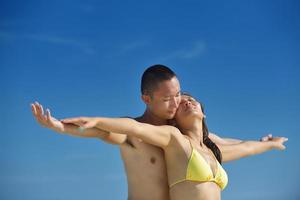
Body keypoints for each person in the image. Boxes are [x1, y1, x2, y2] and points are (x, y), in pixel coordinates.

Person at [31, 65, 274, 200]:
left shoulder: (186, 138)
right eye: (168, 99)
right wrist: (59, 126)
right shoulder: (136, 133)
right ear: (146, 99)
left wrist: (265, 143)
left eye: (178, 94)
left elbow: (229, 143)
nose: (177, 102)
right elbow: (100, 131)